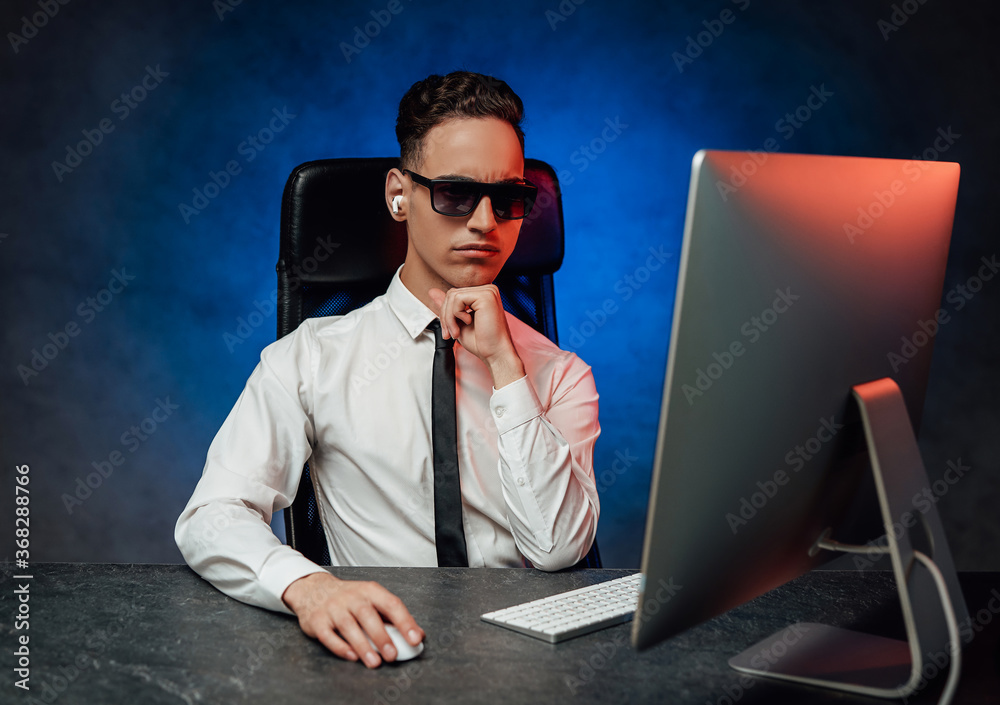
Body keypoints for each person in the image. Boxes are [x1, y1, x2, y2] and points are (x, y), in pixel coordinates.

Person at [175, 70, 600, 669]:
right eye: (455, 193)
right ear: (399, 195)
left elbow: (558, 550)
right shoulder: (309, 359)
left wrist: (507, 367)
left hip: (524, 663)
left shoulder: (559, 374)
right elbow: (211, 515)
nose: (485, 223)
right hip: (379, 656)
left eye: (508, 199)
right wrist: (309, 586)